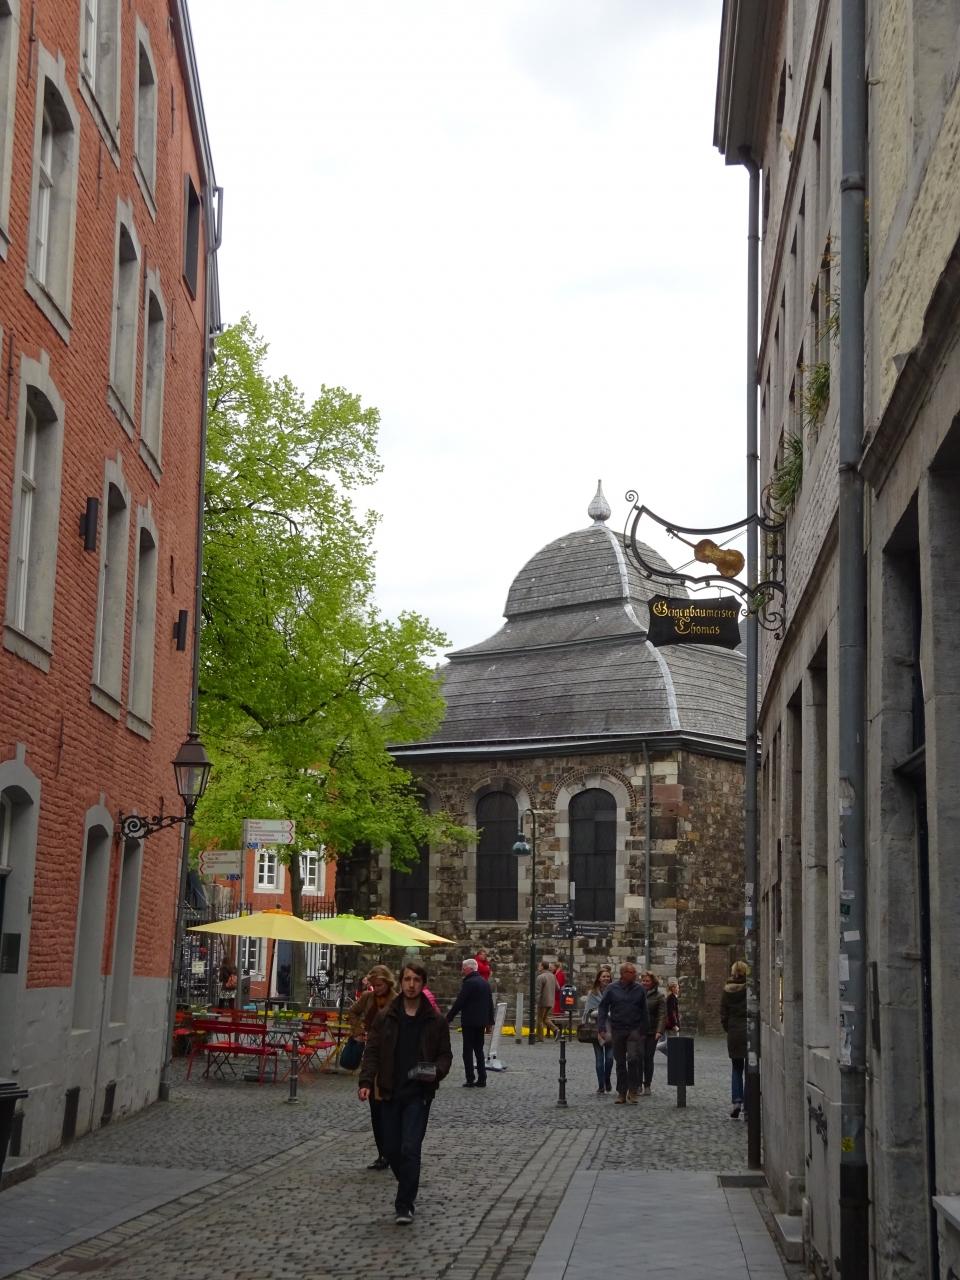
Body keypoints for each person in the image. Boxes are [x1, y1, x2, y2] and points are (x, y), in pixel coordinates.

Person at [358, 962, 452, 1225]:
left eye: (416, 980)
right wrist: (366, 1081)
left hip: (418, 1094)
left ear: (423, 984)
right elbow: (372, 1051)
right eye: (407, 979)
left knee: (410, 1148)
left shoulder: (435, 1021)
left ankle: (404, 1204)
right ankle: (408, 1181)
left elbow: (445, 1055)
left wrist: (435, 1071)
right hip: (389, 1091)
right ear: (401, 982)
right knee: (391, 1148)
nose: (411, 984)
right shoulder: (386, 1016)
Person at [348, 965, 397, 1169]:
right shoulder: (368, 998)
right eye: (374, 985)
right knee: (376, 1111)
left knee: (389, 1111)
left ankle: (392, 1151)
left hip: (391, 1061)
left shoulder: (396, 1001)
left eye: (380, 985)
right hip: (372, 1056)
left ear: (388, 983)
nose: (376, 989)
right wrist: (359, 1031)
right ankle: (382, 1154)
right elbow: (353, 1012)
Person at [596, 962, 649, 1103]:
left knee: (633, 1059)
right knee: (620, 1062)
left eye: (634, 972)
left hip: (634, 1029)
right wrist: (601, 1027)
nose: (634, 975)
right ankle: (622, 1092)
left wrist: (645, 1029)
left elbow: (644, 1010)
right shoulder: (612, 989)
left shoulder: (639, 989)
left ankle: (633, 1090)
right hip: (617, 1029)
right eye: (631, 972)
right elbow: (603, 1007)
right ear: (623, 974)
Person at [446, 958, 495, 1087]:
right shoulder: (485, 983)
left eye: (463, 968)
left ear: (469, 968)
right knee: (479, 1050)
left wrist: (448, 1018)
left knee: (467, 1051)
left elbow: (459, 1002)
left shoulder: (469, 983)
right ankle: (482, 1078)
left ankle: (470, 1078)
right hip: (481, 1022)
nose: (462, 970)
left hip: (469, 1022)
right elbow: (490, 1004)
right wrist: (490, 1022)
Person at [721, 960, 748, 1119]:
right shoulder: (750, 989)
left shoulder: (727, 990)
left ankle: (737, 1101)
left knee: (736, 1069)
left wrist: (729, 1028)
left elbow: (723, 1014)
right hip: (749, 1031)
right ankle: (748, 1106)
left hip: (734, 1032)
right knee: (751, 1069)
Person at [582, 970, 614, 1093]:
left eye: (608, 976)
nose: (606, 978)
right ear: (599, 978)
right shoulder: (593, 993)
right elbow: (588, 1011)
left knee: (610, 1058)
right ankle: (601, 1086)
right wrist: (602, 1012)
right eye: (603, 976)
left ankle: (607, 1079)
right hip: (596, 1029)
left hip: (611, 1028)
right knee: (599, 1059)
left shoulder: (614, 991)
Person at [639, 971, 667, 1094]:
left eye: (647, 981)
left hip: (652, 1031)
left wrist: (659, 1031)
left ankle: (647, 1084)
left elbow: (662, 1015)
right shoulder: (637, 993)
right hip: (638, 1030)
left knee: (648, 1058)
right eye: (643, 980)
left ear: (653, 982)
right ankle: (638, 1083)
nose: (645, 983)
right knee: (638, 1057)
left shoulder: (659, 996)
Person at [535, 960, 558, 1041]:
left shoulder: (540, 977)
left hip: (543, 1002)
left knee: (539, 1020)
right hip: (551, 1002)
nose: (538, 967)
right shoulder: (553, 976)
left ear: (542, 967)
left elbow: (538, 992)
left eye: (539, 965)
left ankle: (540, 1038)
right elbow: (558, 988)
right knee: (545, 1018)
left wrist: (537, 1002)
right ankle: (556, 1030)